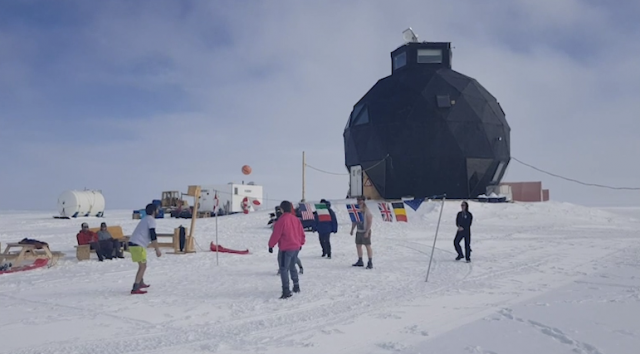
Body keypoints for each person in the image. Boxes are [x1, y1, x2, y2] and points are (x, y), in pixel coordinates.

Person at [268, 200, 306, 299]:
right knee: (292, 266)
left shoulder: (282, 220)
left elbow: (276, 234)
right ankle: (296, 286)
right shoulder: (295, 219)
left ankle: (286, 290)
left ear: (282, 209)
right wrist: (301, 243)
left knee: (284, 268)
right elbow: (301, 232)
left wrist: (271, 245)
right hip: (296, 247)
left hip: (286, 248)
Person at [128, 203, 162, 294]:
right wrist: (157, 249)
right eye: (157, 210)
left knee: (142, 264)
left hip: (134, 244)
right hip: (137, 245)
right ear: (154, 211)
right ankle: (135, 287)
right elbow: (152, 235)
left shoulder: (145, 219)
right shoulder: (151, 220)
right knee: (142, 266)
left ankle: (141, 282)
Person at [350, 196, 373, 269]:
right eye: (358, 200)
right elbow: (355, 221)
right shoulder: (356, 210)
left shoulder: (366, 210)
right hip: (359, 230)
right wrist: (352, 229)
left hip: (365, 230)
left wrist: (367, 231)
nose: (359, 202)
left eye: (360, 200)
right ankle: (360, 260)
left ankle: (370, 261)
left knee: (367, 246)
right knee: (358, 245)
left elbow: (369, 221)